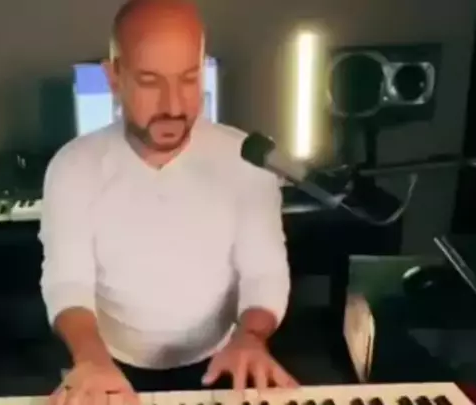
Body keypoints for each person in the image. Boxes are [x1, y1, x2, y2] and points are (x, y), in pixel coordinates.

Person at [40, 0, 298, 403]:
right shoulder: (73, 166)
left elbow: (264, 272)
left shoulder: (245, 159)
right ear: (114, 76)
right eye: (150, 81)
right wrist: (90, 357)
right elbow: (67, 281)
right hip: (109, 366)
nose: (174, 106)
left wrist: (251, 336)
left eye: (189, 79)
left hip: (223, 361)